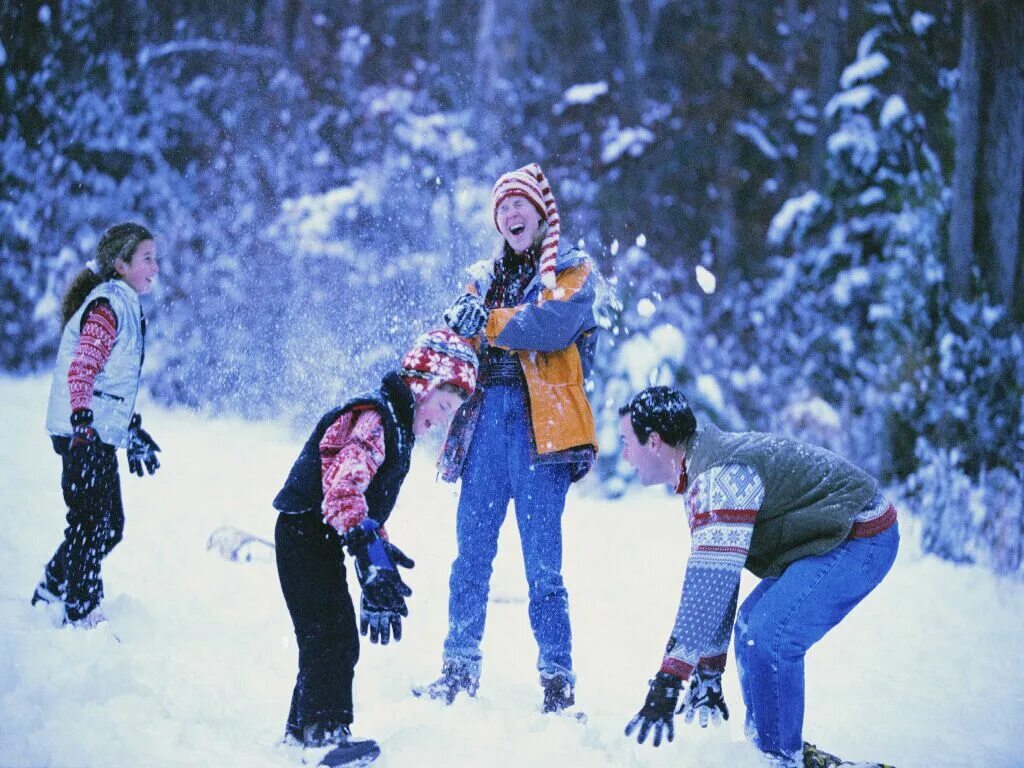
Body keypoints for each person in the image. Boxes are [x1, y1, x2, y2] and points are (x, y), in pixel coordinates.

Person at [618, 386, 899, 767]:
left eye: (625, 442)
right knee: (752, 629)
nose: (624, 455)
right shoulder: (702, 466)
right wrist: (708, 671)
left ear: (653, 442)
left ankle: (779, 757)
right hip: (834, 534)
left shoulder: (718, 476)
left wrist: (671, 678)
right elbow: (721, 572)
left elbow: (711, 583)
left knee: (771, 634)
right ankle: (770, 751)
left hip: (862, 534)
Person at [415, 162, 600, 713]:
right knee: (470, 557)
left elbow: (549, 326)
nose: (512, 214)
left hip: (542, 431)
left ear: (543, 213)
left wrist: (486, 321)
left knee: (543, 564)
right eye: (503, 208)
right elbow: (454, 340)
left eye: (521, 204)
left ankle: (558, 682)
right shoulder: (481, 275)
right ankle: (457, 669)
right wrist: (454, 324)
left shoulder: (572, 270)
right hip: (483, 426)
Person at [272, 329, 478, 753]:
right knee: (332, 634)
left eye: (453, 412)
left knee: (323, 634)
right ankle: (325, 734)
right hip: (303, 531)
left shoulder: (397, 426)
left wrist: (377, 553)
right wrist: (367, 549)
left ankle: (300, 732)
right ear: (423, 381)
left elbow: (358, 505)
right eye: (443, 405)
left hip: (314, 534)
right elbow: (343, 490)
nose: (443, 419)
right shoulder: (377, 420)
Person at [32, 222, 162, 628]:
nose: (155, 267)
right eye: (147, 259)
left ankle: (54, 587)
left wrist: (131, 430)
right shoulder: (107, 307)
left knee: (109, 526)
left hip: (94, 431)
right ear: (121, 265)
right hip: (81, 434)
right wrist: (83, 424)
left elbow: (111, 383)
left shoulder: (123, 304)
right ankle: (81, 610)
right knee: (92, 522)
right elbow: (83, 368)